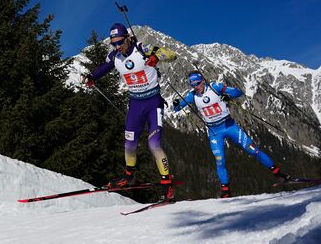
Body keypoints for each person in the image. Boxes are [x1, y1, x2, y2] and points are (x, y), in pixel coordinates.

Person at [82, 23, 177, 202]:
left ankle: (167, 183)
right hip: (135, 104)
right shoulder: (115, 56)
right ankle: (129, 176)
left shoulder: (142, 49)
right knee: (129, 143)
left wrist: (156, 58)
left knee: (154, 144)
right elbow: (104, 67)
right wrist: (91, 77)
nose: (118, 46)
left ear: (127, 38)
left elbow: (172, 55)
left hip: (153, 103)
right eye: (114, 43)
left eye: (120, 42)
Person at [172, 71, 292, 198]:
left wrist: (227, 96)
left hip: (229, 126)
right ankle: (226, 191)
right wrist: (176, 104)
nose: (196, 87)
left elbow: (238, 92)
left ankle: (279, 174)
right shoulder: (192, 96)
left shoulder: (215, 88)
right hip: (214, 132)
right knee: (220, 161)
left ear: (202, 80)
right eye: (193, 85)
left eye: (197, 83)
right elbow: (177, 108)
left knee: (253, 150)